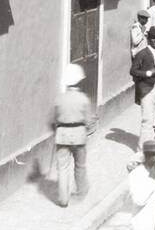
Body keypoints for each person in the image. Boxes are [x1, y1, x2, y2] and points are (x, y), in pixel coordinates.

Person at [52, 62, 95, 207]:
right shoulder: (83, 99)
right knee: (80, 165)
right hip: (78, 135)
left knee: (62, 168)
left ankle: (63, 200)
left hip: (62, 135)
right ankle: (81, 193)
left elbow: (54, 119)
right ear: (79, 82)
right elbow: (88, 121)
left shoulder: (59, 98)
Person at [132, 27, 155, 144]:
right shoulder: (142, 53)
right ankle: (141, 149)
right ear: (149, 39)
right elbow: (133, 71)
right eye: (153, 38)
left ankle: (151, 144)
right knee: (147, 120)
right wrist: (148, 73)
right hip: (145, 89)